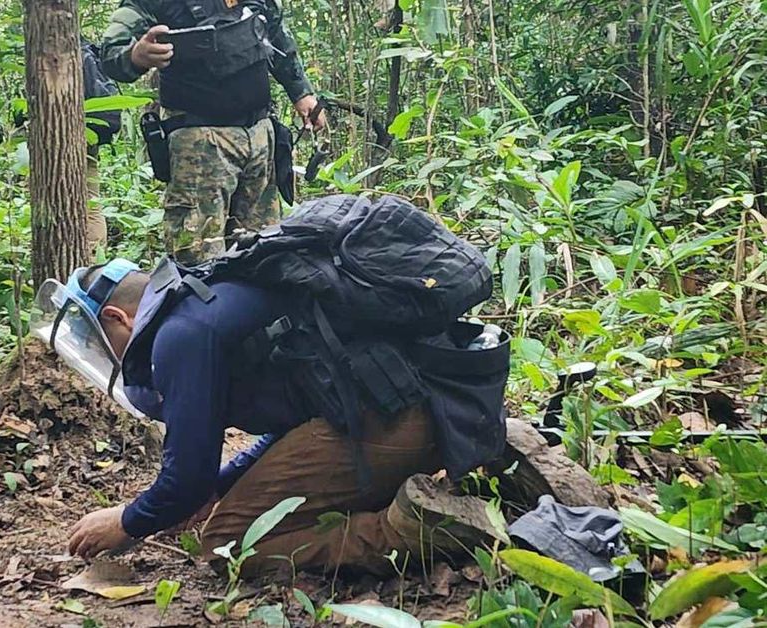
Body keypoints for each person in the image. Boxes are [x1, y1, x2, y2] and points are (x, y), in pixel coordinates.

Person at [62, 258, 510, 577]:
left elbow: (186, 481)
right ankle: (469, 469)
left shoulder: (179, 337)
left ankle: (416, 529)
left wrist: (127, 521)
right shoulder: (210, 298)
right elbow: (293, 416)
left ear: (116, 317)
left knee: (230, 543)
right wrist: (223, 485)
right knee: (241, 507)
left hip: (393, 419)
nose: (107, 355)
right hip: (436, 404)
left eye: (99, 341)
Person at [100, 0, 327, 264]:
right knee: (197, 259)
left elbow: (275, 35)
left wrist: (301, 93)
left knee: (264, 251)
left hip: (260, 136)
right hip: (200, 143)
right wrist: (136, 56)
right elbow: (110, 53)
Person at [81, 39, 123, 257]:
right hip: (92, 137)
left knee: (89, 205)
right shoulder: (89, 53)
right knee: (91, 204)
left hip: (79, 136)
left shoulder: (75, 56)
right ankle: (95, 256)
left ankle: (92, 257)